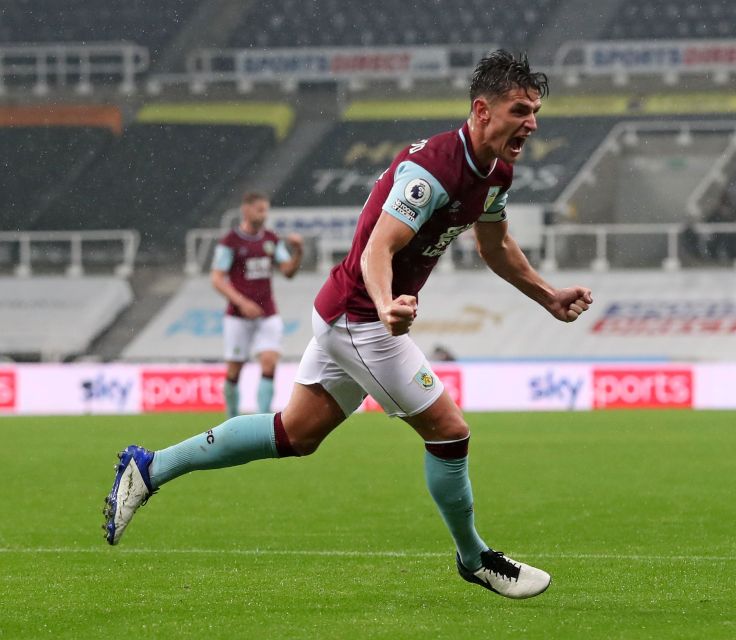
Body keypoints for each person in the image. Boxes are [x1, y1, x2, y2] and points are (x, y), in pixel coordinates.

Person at [103, 50, 592, 600]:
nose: (531, 123)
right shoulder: (432, 169)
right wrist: (385, 305)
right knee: (450, 431)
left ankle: (151, 467)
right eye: (520, 110)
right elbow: (379, 248)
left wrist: (547, 295)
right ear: (482, 110)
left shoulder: (497, 171)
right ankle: (475, 557)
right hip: (362, 318)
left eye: (535, 111)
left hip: (348, 313)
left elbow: (494, 244)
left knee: (294, 434)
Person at [212, 192, 303, 417]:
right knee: (235, 369)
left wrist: (298, 251)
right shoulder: (230, 241)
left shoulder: (271, 240)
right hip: (237, 316)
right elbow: (216, 278)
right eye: (259, 209)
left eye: (265, 210)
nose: (264, 214)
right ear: (246, 210)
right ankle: (231, 420)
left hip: (267, 313)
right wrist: (242, 303)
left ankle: (262, 420)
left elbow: (288, 272)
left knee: (269, 362)